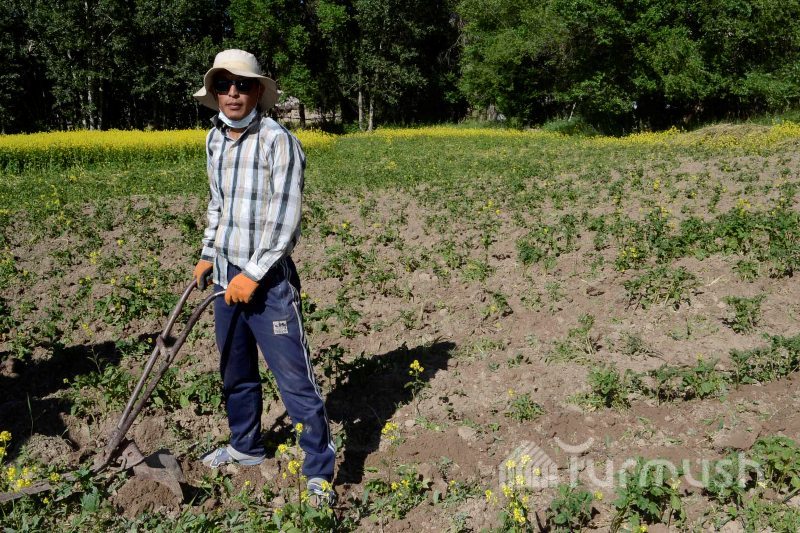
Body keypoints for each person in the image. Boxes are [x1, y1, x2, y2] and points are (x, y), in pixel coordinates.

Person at [191, 49, 336, 505]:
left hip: (268, 282)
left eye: (243, 84)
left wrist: (252, 274)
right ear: (214, 93)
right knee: (235, 370)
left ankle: (319, 472)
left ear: (258, 92)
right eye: (224, 84)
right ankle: (246, 446)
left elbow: (284, 219)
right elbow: (217, 203)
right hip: (225, 276)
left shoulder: (279, 141)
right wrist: (208, 254)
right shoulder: (214, 140)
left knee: (294, 380)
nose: (233, 93)